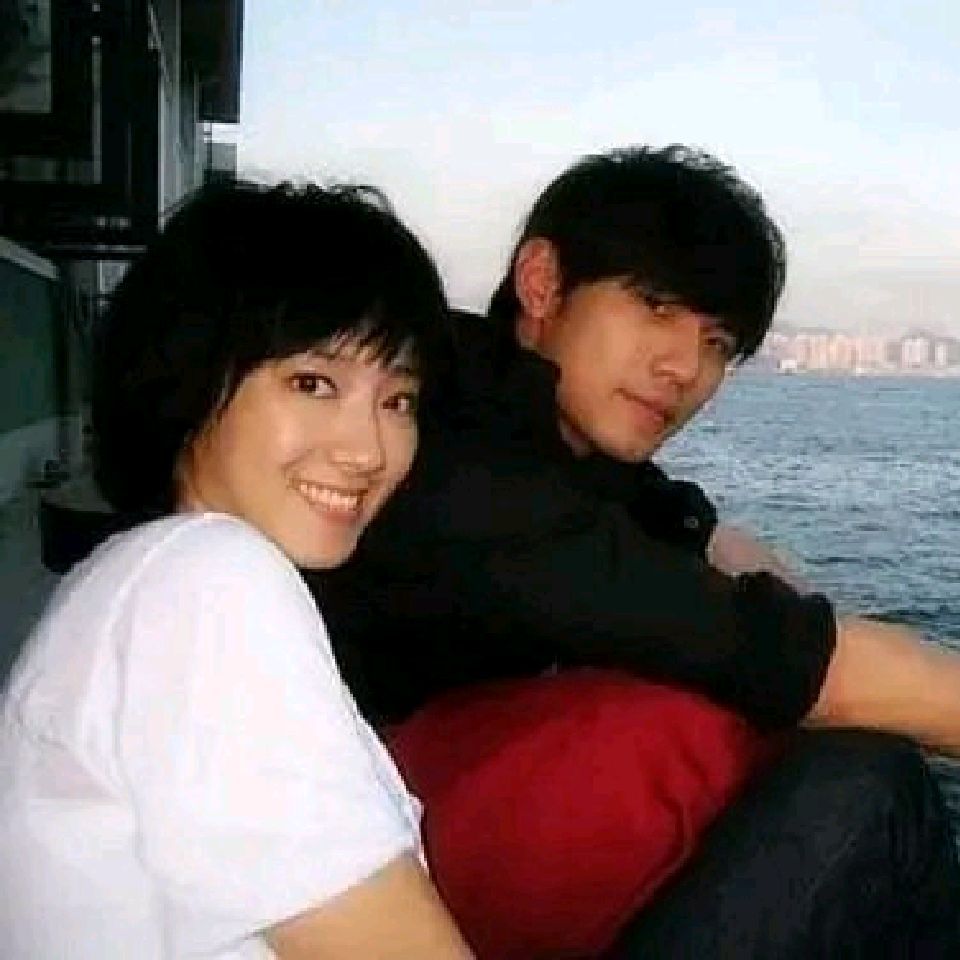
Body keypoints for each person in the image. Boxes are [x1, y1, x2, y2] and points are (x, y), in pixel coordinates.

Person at [313, 145, 960, 955]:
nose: (685, 367)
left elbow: (704, 540)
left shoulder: (547, 434)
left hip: (425, 843)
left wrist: (783, 599)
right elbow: (779, 654)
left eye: (717, 341)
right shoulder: (456, 451)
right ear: (542, 283)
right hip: (365, 891)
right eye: (656, 307)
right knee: (871, 789)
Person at [0, 181, 473, 959]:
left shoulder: (137, 582)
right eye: (313, 383)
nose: (369, 450)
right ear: (190, 380)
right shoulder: (207, 583)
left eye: (399, 400)